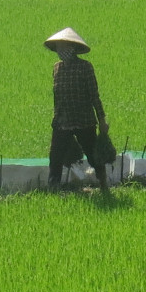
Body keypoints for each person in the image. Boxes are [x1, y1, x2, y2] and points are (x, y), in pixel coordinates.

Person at [44, 27, 113, 191]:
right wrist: (56, 119)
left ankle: (103, 183)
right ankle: (53, 187)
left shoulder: (85, 67)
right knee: (55, 157)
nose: (60, 51)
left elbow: (94, 96)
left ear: (72, 48)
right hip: (62, 122)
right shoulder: (57, 68)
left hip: (84, 121)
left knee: (93, 156)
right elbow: (57, 97)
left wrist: (102, 120)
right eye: (58, 47)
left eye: (63, 47)